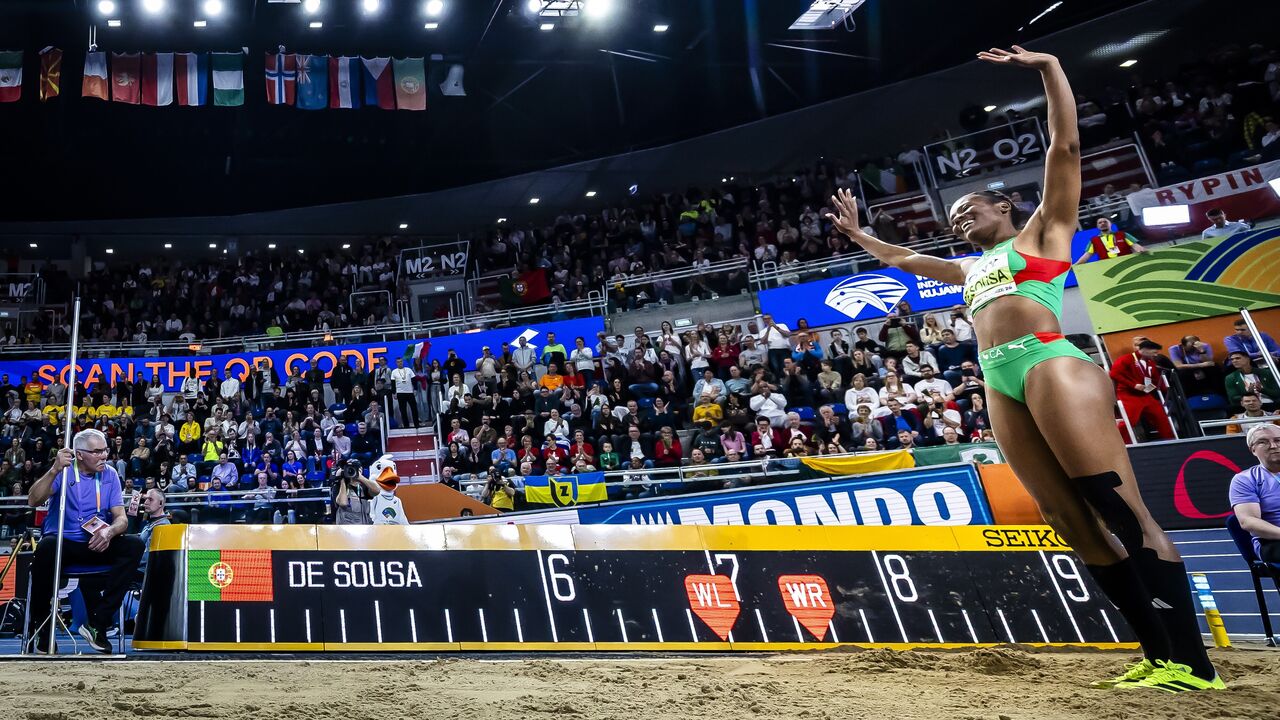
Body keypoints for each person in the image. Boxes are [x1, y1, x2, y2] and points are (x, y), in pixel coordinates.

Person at [824, 46, 1219, 690]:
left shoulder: (1043, 232)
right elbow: (903, 259)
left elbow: (1065, 148)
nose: (959, 219)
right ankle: (1158, 656)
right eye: (953, 218)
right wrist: (858, 236)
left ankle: (1195, 666)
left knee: (1118, 509)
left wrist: (1049, 69)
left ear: (1004, 206)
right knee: (1068, 521)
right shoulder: (965, 268)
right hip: (998, 379)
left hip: (1049, 362)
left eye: (969, 209)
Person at [25, 429, 145, 654]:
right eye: (97, 452)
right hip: (64, 544)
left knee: (135, 545)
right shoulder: (63, 471)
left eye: (105, 450)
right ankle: (42, 626)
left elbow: (121, 519)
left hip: (98, 542)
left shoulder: (110, 474)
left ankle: (98, 623)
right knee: (46, 547)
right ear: (79, 455)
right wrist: (54, 469)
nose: (104, 456)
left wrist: (109, 532)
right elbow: (33, 500)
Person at [1230, 423, 1280, 564]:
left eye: (1278, 440)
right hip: (1273, 541)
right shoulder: (1245, 480)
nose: (1273, 446)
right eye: (1263, 442)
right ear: (1253, 449)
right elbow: (1248, 521)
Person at [1110, 340, 1175, 441]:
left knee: (1161, 417)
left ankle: (1171, 440)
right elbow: (1114, 374)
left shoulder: (1150, 363)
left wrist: (1165, 390)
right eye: (1154, 352)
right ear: (1145, 350)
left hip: (1144, 395)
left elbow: (1155, 380)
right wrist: (1134, 385)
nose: (1156, 355)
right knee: (1130, 421)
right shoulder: (1126, 359)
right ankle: (1120, 443)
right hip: (1128, 395)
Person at [1073, 217, 1145, 264]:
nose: (1102, 223)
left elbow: (1135, 246)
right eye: (1100, 223)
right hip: (1109, 268)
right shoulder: (1094, 240)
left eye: (1105, 222)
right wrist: (1076, 265)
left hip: (1128, 264)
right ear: (1097, 226)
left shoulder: (1123, 234)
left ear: (1110, 224)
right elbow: (1087, 255)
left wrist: (1142, 250)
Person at [137, 488, 172, 577]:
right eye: (146, 499)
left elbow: (148, 557)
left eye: (150, 499)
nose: (146, 502)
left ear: (160, 503)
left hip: (143, 573)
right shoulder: (151, 523)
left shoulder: (162, 526)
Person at [390, 357, 420, 428]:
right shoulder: (394, 372)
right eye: (398, 362)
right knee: (403, 410)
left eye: (401, 361)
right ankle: (406, 425)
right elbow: (393, 383)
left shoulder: (409, 370)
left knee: (414, 408)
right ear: (396, 363)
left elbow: (414, 380)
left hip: (410, 392)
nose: (400, 363)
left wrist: (415, 389)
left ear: (403, 362)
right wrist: (394, 393)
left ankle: (416, 424)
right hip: (400, 393)